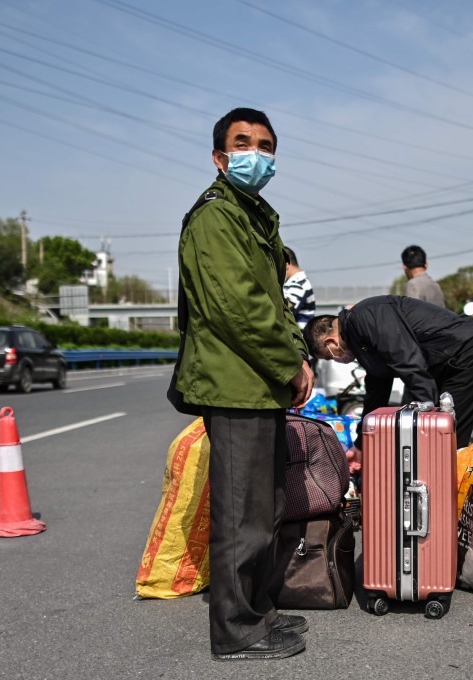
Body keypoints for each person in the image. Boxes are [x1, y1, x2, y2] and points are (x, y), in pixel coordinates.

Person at [175, 107, 313, 660]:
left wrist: (297, 354)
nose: (255, 153)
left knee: (264, 508)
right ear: (218, 156)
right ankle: (235, 632)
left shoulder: (253, 214)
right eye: (242, 143)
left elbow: (277, 303)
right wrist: (291, 364)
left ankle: (257, 610)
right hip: (234, 383)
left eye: (265, 145)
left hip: (257, 383)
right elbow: (240, 309)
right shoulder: (215, 218)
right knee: (241, 516)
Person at [304, 295, 473, 453]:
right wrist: (361, 443)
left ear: (330, 343)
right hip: (457, 361)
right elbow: (376, 393)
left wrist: (424, 414)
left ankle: (450, 502)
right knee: (440, 439)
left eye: (330, 356)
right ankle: (444, 499)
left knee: (445, 438)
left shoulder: (365, 316)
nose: (337, 359)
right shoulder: (362, 339)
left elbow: (408, 361)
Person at [282, 246, 316, 329]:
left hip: (297, 337)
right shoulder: (297, 282)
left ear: (286, 264)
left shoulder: (298, 285)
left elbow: (284, 312)